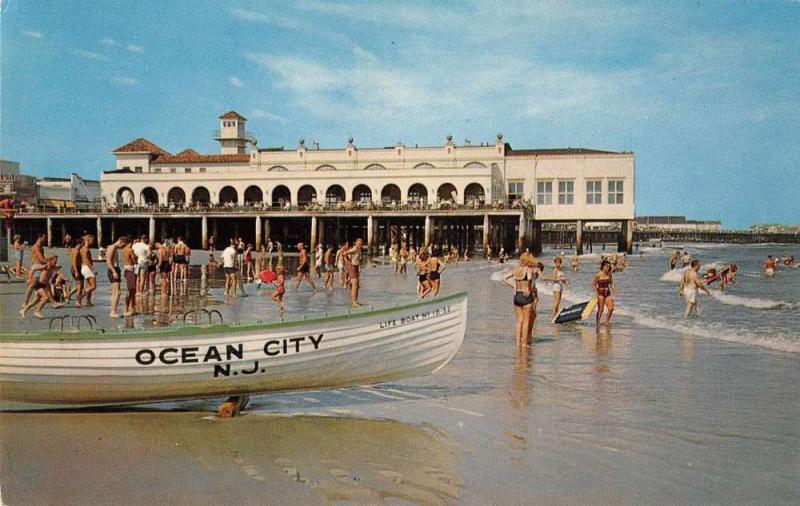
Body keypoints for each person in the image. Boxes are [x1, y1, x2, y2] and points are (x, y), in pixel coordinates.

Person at [502, 252, 538, 348]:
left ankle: (518, 344)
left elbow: (504, 278)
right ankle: (524, 344)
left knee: (518, 321)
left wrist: (513, 286)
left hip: (517, 295)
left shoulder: (516, 269)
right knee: (526, 322)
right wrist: (530, 289)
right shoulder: (528, 269)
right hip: (526, 296)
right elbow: (530, 279)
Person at [106, 235, 128, 318]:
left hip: (115, 269)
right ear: (121, 241)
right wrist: (114, 271)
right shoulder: (112, 247)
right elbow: (108, 261)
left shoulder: (114, 248)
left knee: (115, 292)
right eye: (123, 245)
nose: (123, 247)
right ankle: (113, 311)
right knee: (117, 292)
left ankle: (113, 310)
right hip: (113, 270)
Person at [22, 233, 47, 307]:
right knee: (32, 285)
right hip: (37, 267)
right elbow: (41, 259)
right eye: (44, 237)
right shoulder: (35, 247)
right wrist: (50, 261)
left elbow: (43, 257)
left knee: (40, 285)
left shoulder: (41, 247)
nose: (45, 239)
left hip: (41, 266)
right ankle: (25, 302)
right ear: (39, 237)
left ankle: (43, 300)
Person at [592, 260, 617, 325]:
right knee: (601, 309)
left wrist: (614, 289)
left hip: (607, 293)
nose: (608, 268)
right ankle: (598, 322)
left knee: (611, 308)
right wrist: (596, 293)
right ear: (603, 266)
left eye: (609, 267)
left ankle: (607, 322)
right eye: (607, 267)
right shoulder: (598, 275)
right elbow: (593, 285)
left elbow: (611, 284)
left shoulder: (609, 274)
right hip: (600, 293)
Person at [80, 234, 97, 306]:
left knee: (89, 286)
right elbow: (86, 260)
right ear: (88, 240)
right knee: (93, 286)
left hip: (84, 268)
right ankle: (80, 297)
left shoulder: (82, 248)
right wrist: (93, 269)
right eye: (92, 240)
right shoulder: (85, 249)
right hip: (87, 268)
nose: (93, 242)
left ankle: (88, 301)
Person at [122, 237, 137, 317]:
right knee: (131, 290)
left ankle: (131, 308)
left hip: (126, 268)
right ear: (130, 242)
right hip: (130, 269)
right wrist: (135, 256)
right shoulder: (130, 250)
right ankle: (127, 308)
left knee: (132, 290)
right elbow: (134, 260)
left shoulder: (123, 250)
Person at [346, 238, 363, 306]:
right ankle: (353, 302)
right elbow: (345, 253)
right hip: (352, 267)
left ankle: (356, 300)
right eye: (358, 243)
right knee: (354, 285)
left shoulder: (359, 250)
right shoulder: (355, 249)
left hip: (356, 267)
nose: (360, 245)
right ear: (355, 243)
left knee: (357, 286)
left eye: (361, 244)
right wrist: (349, 261)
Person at [68, 237, 85, 306]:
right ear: (80, 243)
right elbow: (74, 261)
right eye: (83, 243)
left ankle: (69, 294)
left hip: (77, 268)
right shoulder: (76, 251)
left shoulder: (74, 250)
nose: (84, 244)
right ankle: (78, 301)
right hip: (76, 268)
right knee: (80, 285)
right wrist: (76, 271)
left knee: (80, 285)